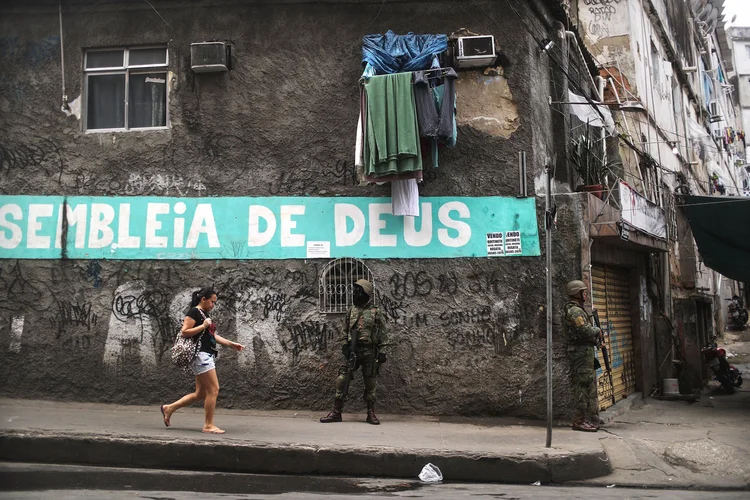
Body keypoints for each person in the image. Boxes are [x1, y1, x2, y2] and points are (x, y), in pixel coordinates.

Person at [160, 287, 245, 434]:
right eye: (212, 302)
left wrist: (232, 344)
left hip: (206, 355)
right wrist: (203, 325)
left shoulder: (204, 314)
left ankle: (169, 408)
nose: (213, 305)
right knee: (213, 390)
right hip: (200, 356)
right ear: (203, 299)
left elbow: (212, 336)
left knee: (200, 394)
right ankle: (208, 425)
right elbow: (184, 332)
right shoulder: (194, 312)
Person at [320, 279, 387, 425]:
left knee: (370, 382)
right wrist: (345, 345)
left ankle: (371, 413)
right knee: (342, 379)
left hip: (369, 351)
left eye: (358, 290)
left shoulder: (376, 311)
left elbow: (383, 333)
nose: (355, 292)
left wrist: (383, 351)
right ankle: (337, 412)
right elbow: (344, 330)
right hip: (353, 351)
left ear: (366, 292)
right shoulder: (352, 310)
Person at [563, 280, 602, 432]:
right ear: (576, 293)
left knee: (588, 385)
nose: (585, 294)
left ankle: (589, 417)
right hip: (580, 353)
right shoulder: (575, 312)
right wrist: (597, 330)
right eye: (583, 292)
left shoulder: (578, 310)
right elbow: (584, 331)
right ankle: (579, 421)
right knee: (582, 386)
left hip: (585, 352)